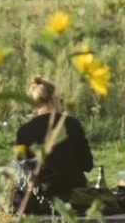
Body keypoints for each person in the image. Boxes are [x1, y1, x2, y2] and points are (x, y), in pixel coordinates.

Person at [12, 76, 94, 215]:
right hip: (73, 197)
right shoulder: (72, 124)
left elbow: (22, 169)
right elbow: (87, 164)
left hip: (40, 200)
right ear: (54, 99)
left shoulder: (24, 131)